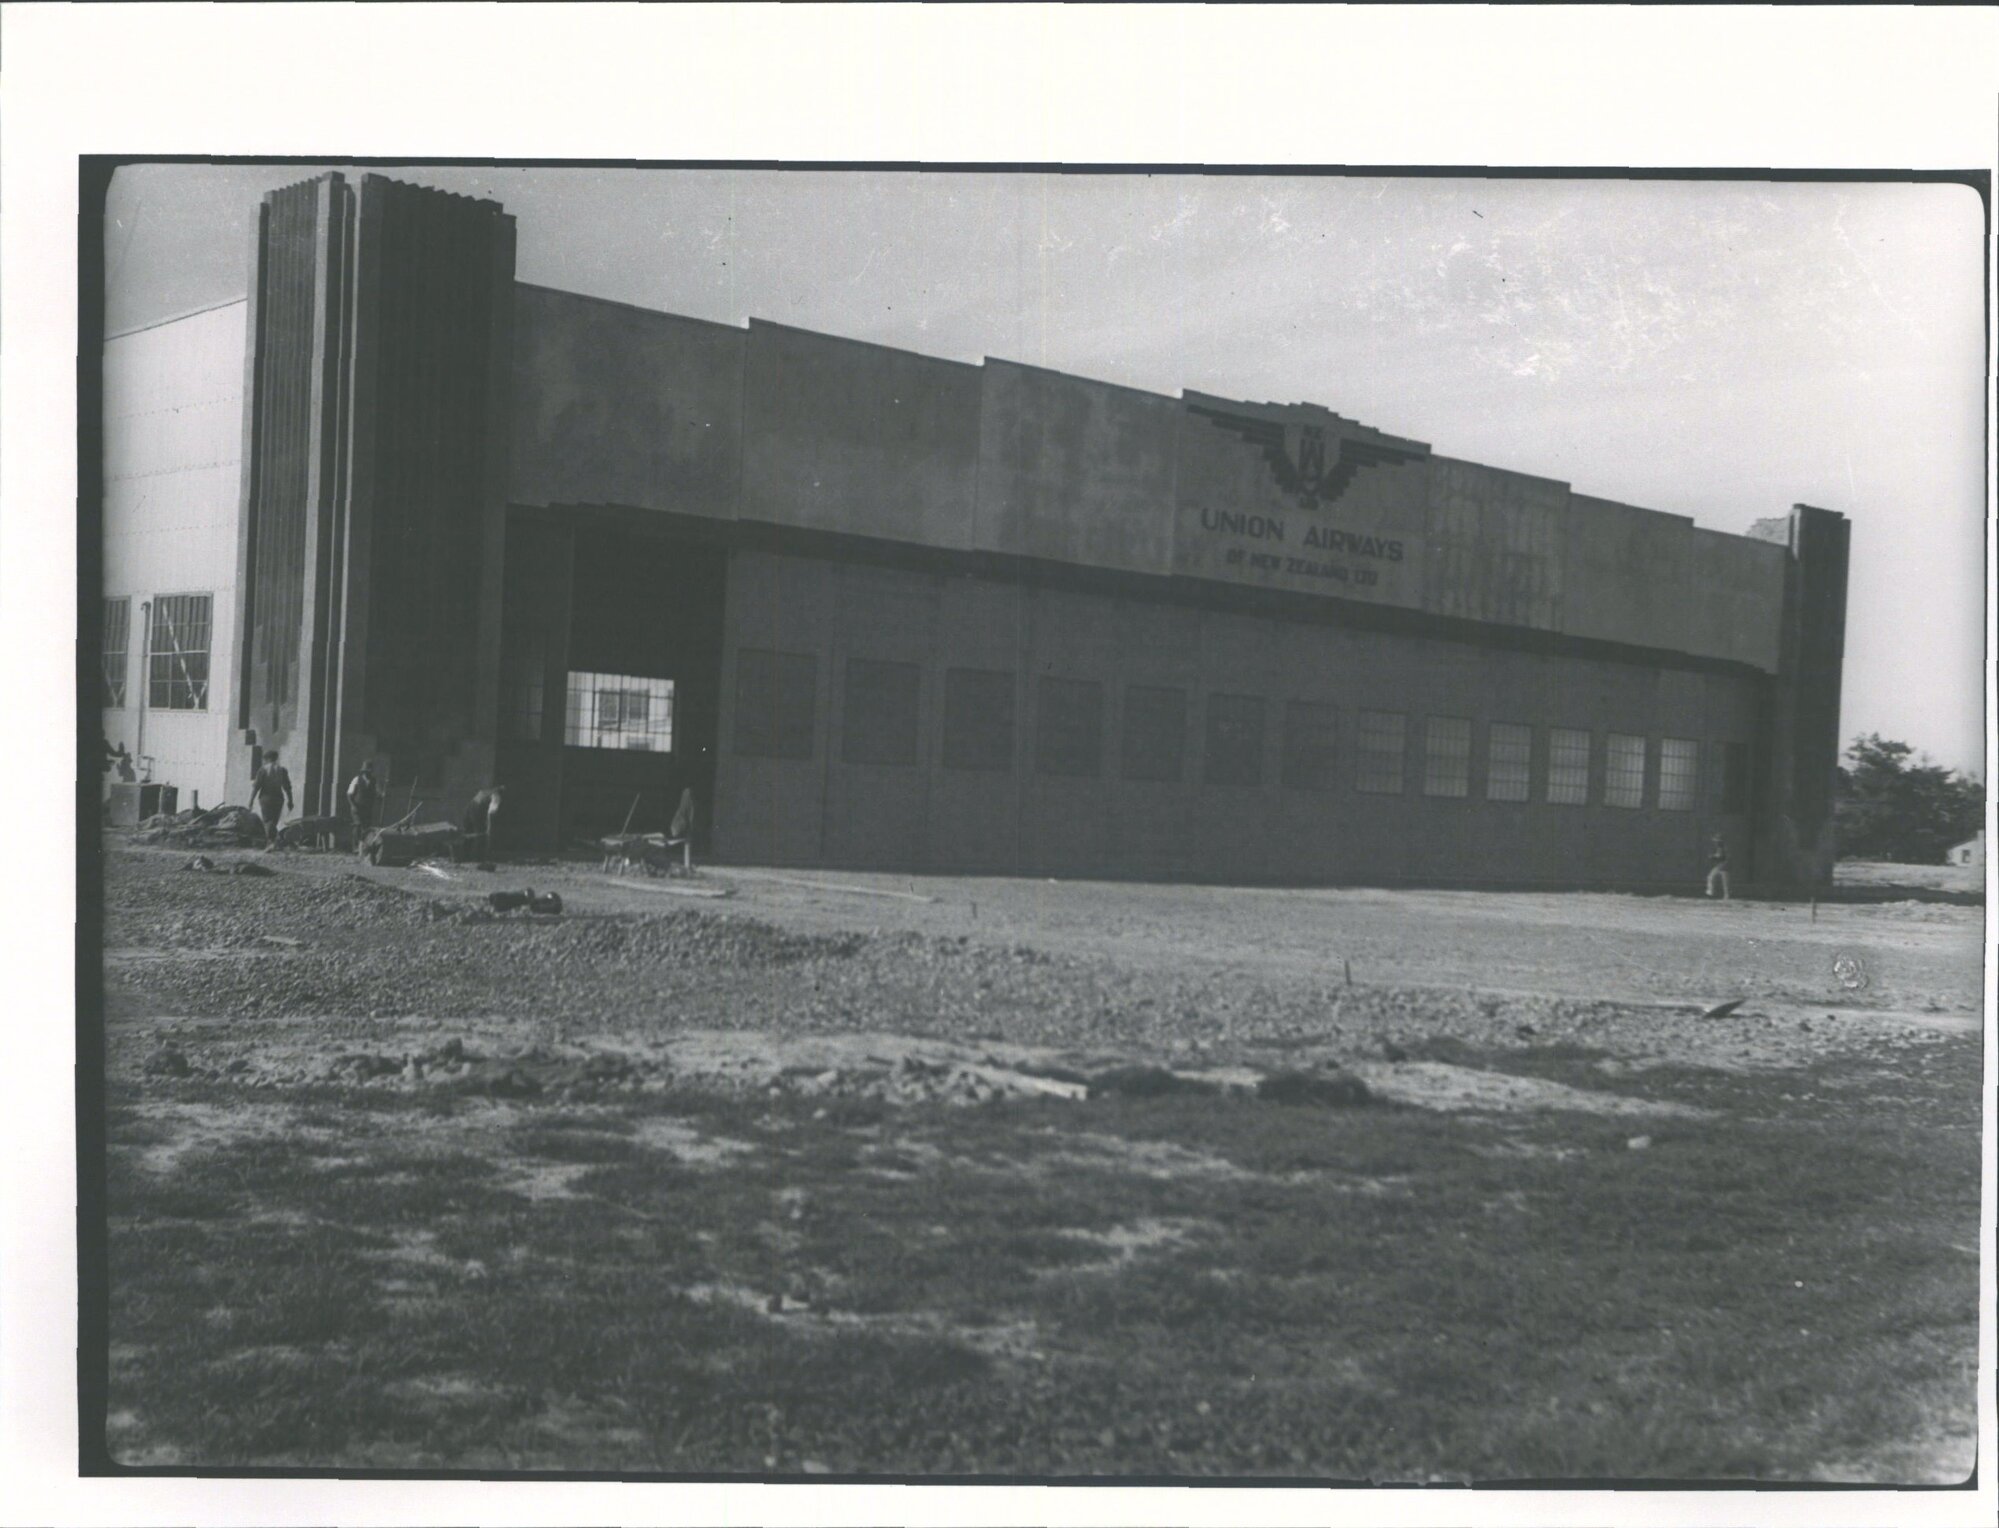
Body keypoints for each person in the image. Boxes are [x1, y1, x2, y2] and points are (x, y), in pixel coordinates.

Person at [249, 751, 294, 847]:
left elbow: (256, 787)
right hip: (278, 798)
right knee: (274, 820)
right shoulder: (282, 770)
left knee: (267, 820)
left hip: (266, 798)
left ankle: (270, 842)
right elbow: (287, 787)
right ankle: (273, 841)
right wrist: (290, 800)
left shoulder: (263, 770)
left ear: (267, 759)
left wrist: (251, 800)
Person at [461, 783, 505, 867]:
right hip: (477, 809)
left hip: (470, 806)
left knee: (469, 832)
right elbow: (491, 813)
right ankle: (478, 858)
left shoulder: (485, 791)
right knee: (481, 833)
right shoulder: (496, 796)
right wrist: (489, 827)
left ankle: (465, 856)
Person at [345, 759, 383, 852]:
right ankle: (355, 847)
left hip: (368, 807)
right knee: (358, 825)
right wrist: (353, 805)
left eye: (369, 771)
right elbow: (349, 794)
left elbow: (378, 793)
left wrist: (381, 795)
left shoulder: (374, 781)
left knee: (367, 827)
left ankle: (365, 846)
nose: (368, 773)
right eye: (366, 771)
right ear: (363, 771)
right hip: (357, 807)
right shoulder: (357, 779)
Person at [1705, 832, 1731, 901]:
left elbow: (1722, 856)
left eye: (1717, 840)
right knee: (1711, 877)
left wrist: (1713, 856)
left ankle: (1726, 896)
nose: (1715, 842)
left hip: (1724, 866)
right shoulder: (1719, 847)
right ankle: (1711, 893)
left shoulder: (1724, 847)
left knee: (1725, 882)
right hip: (1720, 866)